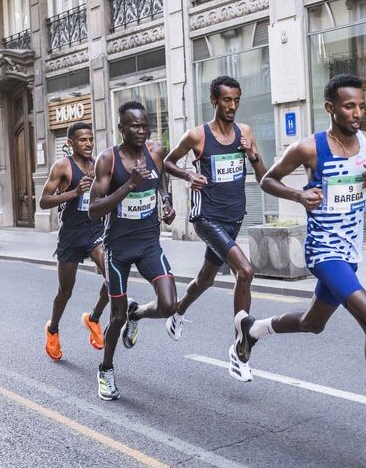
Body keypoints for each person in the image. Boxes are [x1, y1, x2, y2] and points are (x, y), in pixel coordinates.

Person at [256, 74, 366, 465]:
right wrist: (299, 194)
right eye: (349, 106)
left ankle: (253, 329)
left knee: (313, 323)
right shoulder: (309, 148)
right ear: (331, 108)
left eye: (361, 105)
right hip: (324, 252)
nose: (357, 113)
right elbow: (266, 179)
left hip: (350, 251)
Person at [162, 75, 268, 381]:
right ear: (214, 100)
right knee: (245, 271)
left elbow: (262, 175)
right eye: (226, 100)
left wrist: (252, 154)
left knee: (205, 279)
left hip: (234, 217)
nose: (232, 106)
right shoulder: (198, 136)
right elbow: (167, 163)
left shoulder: (245, 132)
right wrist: (188, 176)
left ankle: (177, 312)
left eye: (236, 100)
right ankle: (240, 347)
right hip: (206, 217)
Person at [89, 101, 177, 401]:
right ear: (121, 128)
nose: (141, 131)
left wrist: (165, 201)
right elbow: (93, 209)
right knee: (114, 318)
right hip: (118, 249)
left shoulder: (155, 152)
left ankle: (137, 314)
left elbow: (161, 180)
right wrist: (128, 185)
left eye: (145, 125)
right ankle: (106, 369)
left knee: (169, 305)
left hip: (149, 242)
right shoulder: (107, 161)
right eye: (134, 126)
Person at [38, 122, 110, 362]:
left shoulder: (100, 164)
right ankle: (53, 329)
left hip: (95, 231)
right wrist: (75, 193)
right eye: (82, 140)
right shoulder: (62, 167)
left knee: (113, 276)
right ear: (70, 143)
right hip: (70, 234)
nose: (88, 143)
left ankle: (94, 318)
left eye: (90, 139)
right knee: (65, 291)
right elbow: (45, 201)